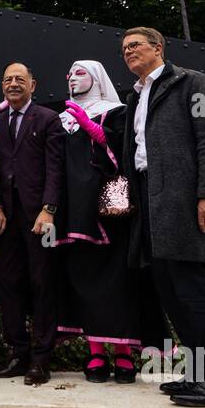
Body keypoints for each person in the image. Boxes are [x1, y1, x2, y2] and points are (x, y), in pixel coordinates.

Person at [121, 26, 205, 408]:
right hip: (149, 200)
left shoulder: (192, 84)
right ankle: (199, 374)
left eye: (135, 45)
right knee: (170, 291)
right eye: (124, 48)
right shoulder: (135, 96)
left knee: (192, 290)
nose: (128, 52)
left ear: (158, 48)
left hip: (182, 201)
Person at [54, 60, 160, 383]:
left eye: (80, 72)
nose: (73, 77)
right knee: (83, 282)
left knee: (117, 284)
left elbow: (127, 155)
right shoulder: (60, 119)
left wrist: (96, 131)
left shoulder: (116, 112)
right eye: (69, 73)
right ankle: (96, 353)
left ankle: (125, 355)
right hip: (71, 213)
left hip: (109, 213)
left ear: (97, 77)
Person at [0, 62, 65, 386]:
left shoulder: (48, 119)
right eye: (8, 79)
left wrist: (49, 210)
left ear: (33, 84)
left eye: (20, 79)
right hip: (7, 219)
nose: (13, 84)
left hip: (40, 219)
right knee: (8, 283)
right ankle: (17, 354)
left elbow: (55, 169)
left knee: (43, 283)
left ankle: (41, 359)